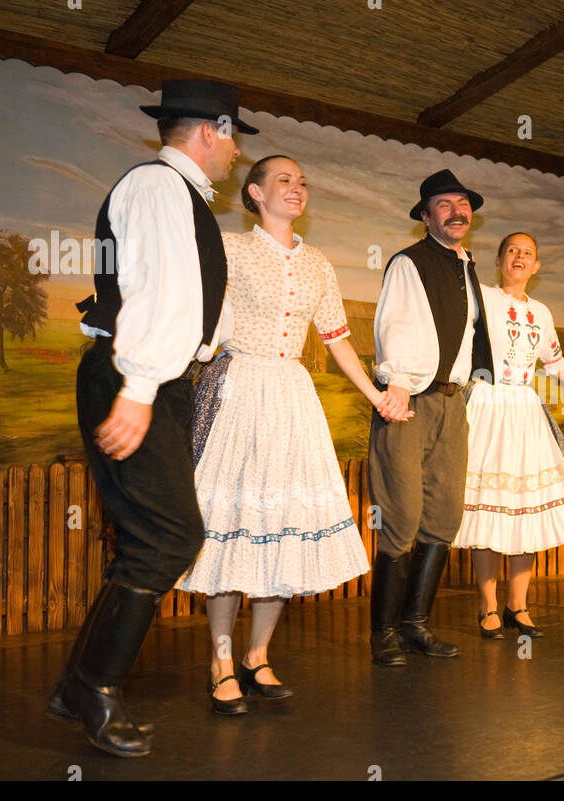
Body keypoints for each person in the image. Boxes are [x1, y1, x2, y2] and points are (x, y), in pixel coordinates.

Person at [48, 80, 256, 757]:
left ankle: (75, 683)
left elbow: (191, 303)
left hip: (152, 376)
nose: (235, 152)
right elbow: (155, 295)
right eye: (234, 137)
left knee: (150, 533)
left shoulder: (182, 198)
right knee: (171, 534)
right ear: (209, 131)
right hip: (137, 373)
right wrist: (138, 389)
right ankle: (97, 687)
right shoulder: (160, 188)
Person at [178, 156, 411, 713]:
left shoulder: (319, 265)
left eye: (303, 181)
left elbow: (336, 339)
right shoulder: (231, 250)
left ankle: (258, 655)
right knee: (234, 527)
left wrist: (376, 394)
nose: (297, 188)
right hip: (238, 387)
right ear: (255, 193)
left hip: (290, 396)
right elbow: (201, 320)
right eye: (284, 179)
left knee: (281, 525)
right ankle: (221, 659)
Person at [453, 233, 564, 638]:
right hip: (486, 406)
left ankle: (517, 606)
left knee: (529, 508)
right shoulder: (482, 297)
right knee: (487, 510)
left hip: (524, 410)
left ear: (536, 266)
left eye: (528, 253)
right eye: (512, 251)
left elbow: (556, 366)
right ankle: (487, 608)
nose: (520, 257)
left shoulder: (540, 311)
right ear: (500, 260)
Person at [368, 169, 492, 666]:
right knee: (401, 515)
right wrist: (396, 381)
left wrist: (476, 384)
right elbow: (395, 322)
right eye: (444, 204)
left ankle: (415, 625)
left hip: (452, 401)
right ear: (425, 215)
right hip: (409, 400)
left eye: (462, 203)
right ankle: (383, 635)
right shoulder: (409, 263)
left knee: (443, 516)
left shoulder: (467, 265)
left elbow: (470, 338)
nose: (457, 211)